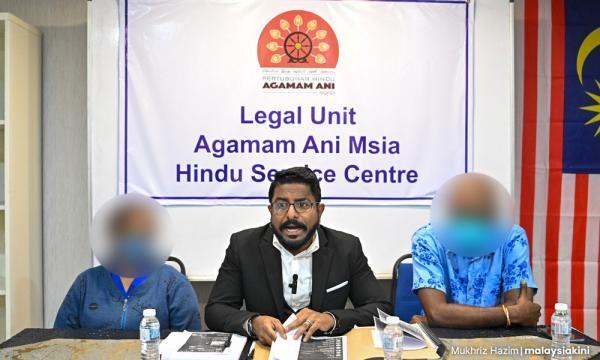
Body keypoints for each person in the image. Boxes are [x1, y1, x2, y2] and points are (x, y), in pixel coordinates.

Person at [205, 167, 391, 345]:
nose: (291, 214)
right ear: (271, 211)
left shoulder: (346, 247)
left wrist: (331, 319)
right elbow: (216, 310)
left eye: (303, 204)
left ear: (319, 210)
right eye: (281, 205)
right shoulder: (243, 245)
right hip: (265, 351)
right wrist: (253, 323)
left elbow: (381, 309)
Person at [411, 173, 541, 328]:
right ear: (450, 211)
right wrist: (510, 314)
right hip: (443, 340)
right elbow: (437, 313)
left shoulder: (512, 237)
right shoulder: (427, 239)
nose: (471, 220)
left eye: (479, 213)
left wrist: (443, 319)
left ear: (493, 211)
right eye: (464, 213)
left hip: (499, 340)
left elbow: (522, 307)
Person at [54, 194, 201, 330]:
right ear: (112, 236)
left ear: (151, 236)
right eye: (125, 231)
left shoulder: (173, 283)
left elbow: (188, 342)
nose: (132, 237)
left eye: (140, 231)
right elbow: (61, 337)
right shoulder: (86, 282)